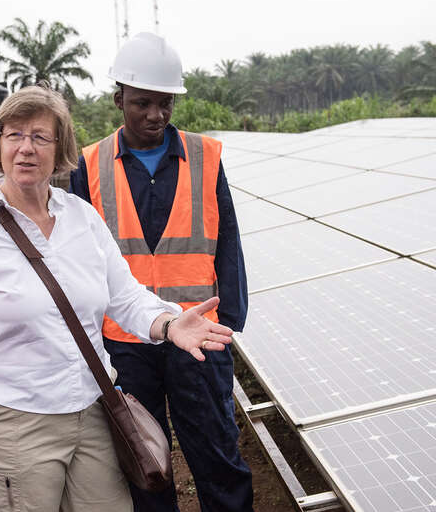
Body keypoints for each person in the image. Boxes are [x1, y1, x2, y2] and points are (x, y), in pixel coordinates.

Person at [0, 85, 236, 512]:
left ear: (59, 148)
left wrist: (169, 323)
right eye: (14, 135)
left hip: (92, 412)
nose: (25, 149)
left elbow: (125, 298)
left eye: (40, 137)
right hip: (10, 421)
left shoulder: (81, 218)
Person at [68, 32, 252, 512]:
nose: (155, 115)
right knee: (144, 463)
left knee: (216, 454)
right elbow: (77, 260)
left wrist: (227, 320)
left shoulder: (206, 158)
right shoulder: (87, 167)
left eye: (164, 103)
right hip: (125, 342)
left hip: (198, 335)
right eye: (142, 103)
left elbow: (228, 243)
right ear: (119, 100)